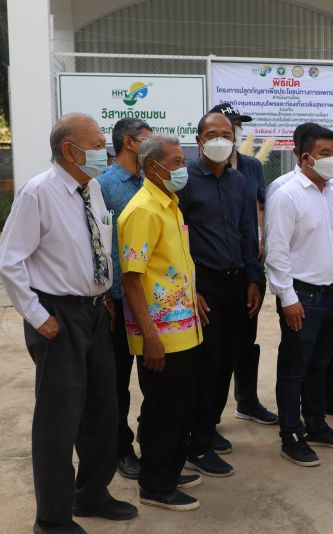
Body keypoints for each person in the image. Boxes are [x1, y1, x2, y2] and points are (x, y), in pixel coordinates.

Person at [0, 113, 138, 534]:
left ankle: (91, 492)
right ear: (69, 150)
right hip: (57, 315)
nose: (104, 150)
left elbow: (94, 246)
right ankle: (52, 519)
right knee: (59, 421)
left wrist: (104, 294)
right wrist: (38, 316)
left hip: (95, 312)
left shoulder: (91, 187)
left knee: (103, 410)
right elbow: (10, 260)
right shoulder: (38, 193)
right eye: (96, 143)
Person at [118, 135, 205, 510]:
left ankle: (167, 467)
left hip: (185, 329)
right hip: (161, 336)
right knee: (162, 410)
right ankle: (155, 484)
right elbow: (132, 278)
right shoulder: (143, 210)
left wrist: (193, 294)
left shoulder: (169, 204)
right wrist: (150, 336)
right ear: (151, 166)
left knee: (179, 407)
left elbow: (172, 265)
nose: (181, 168)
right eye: (174, 162)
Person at [179, 111, 261, 477]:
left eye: (226, 134)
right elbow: (177, 239)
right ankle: (195, 443)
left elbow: (248, 233)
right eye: (211, 133)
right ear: (198, 140)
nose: (219, 139)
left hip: (236, 282)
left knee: (229, 357)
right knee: (205, 365)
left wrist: (254, 279)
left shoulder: (239, 180)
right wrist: (190, 288)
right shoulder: (184, 181)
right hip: (203, 285)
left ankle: (208, 428)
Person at [267, 124, 333, 466]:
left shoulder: (332, 189)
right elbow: (276, 253)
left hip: (332, 294)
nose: (332, 160)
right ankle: (291, 434)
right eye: (324, 154)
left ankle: (316, 423)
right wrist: (288, 299)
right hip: (302, 297)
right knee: (294, 369)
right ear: (304, 156)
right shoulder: (285, 193)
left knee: (322, 364)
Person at [208, 103, 278, 427]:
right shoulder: (200, 169)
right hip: (216, 266)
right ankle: (209, 417)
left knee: (246, 337)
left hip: (250, 261)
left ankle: (247, 401)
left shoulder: (250, 166)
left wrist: (262, 240)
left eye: (237, 125)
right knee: (215, 347)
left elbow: (260, 204)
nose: (234, 130)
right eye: (229, 124)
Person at [97, 117, 152, 480]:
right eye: (148, 139)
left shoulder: (153, 183)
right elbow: (98, 245)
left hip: (153, 299)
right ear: (130, 143)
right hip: (117, 300)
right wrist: (106, 294)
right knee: (117, 382)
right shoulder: (104, 187)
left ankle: (154, 441)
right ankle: (120, 447)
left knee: (155, 377)